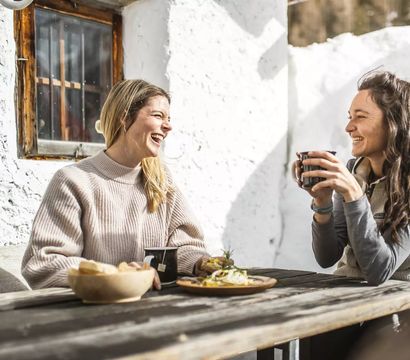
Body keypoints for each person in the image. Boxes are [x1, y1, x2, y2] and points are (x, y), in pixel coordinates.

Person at [21, 79, 219, 290]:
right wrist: (116, 275)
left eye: (168, 118)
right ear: (124, 118)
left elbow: (185, 245)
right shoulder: (73, 181)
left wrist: (200, 263)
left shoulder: (161, 181)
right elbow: (45, 263)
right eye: (158, 115)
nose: (168, 126)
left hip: (155, 310)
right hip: (94, 313)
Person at [293, 70, 410, 359]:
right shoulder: (356, 171)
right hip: (344, 305)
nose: (348, 127)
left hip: (392, 319)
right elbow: (327, 256)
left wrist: (353, 196)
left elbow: (380, 270)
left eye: (361, 116)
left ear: (393, 123)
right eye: (349, 116)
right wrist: (321, 202)